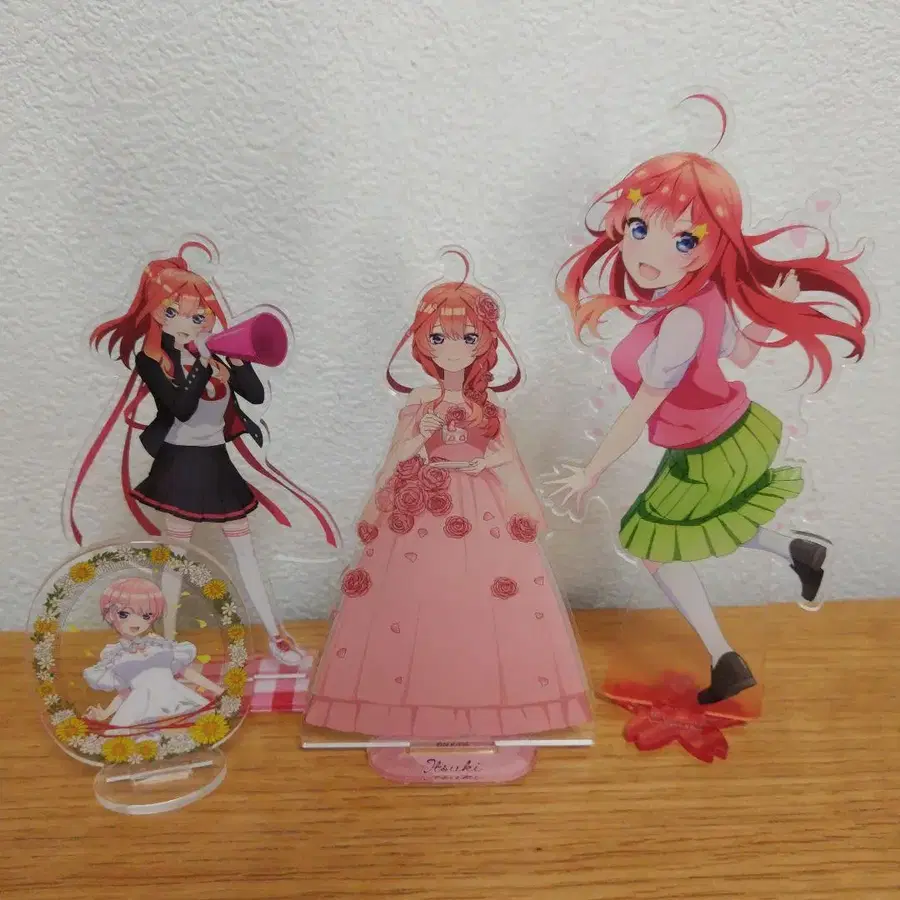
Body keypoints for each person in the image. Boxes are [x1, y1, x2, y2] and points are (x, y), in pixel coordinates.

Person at [547, 95, 871, 705]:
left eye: (682, 239)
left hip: (708, 449)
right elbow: (740, 357)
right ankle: (797, 552)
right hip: (729, 435)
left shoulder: (680, 321)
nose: (648, 252)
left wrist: (592, 471)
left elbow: (642, 408)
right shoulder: (696, 301)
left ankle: (726, 659)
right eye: (638, 228)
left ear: (710, 246)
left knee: (653, 545)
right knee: (696, 529)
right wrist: (771, 316)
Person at [305, 254, 592, 739]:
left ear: (485, 342)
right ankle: (410, 706)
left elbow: (507, 455)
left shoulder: (490, 401)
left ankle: (486, 705)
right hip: (424, 501)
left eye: (466, 337)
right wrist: (423, 435)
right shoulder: (420, 400)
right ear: (422, 342)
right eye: (439, 338)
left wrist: (485, 465)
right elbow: (397, 457)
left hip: (482, 504)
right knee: (419, 596)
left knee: (483, 595)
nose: (452, 349)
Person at [67, 240, 341, 667]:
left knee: (245, 550)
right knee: (176, 556)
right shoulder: (152, 360)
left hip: (215, 461)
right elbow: (179, 406)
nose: (188, 324)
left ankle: (276, 637)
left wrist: (235, 359)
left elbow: (253, 394)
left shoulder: (215, 352)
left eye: (199, 316)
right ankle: (166, 644)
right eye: (173, 313)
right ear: (155, 313)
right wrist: (201, 364)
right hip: (180, 463)